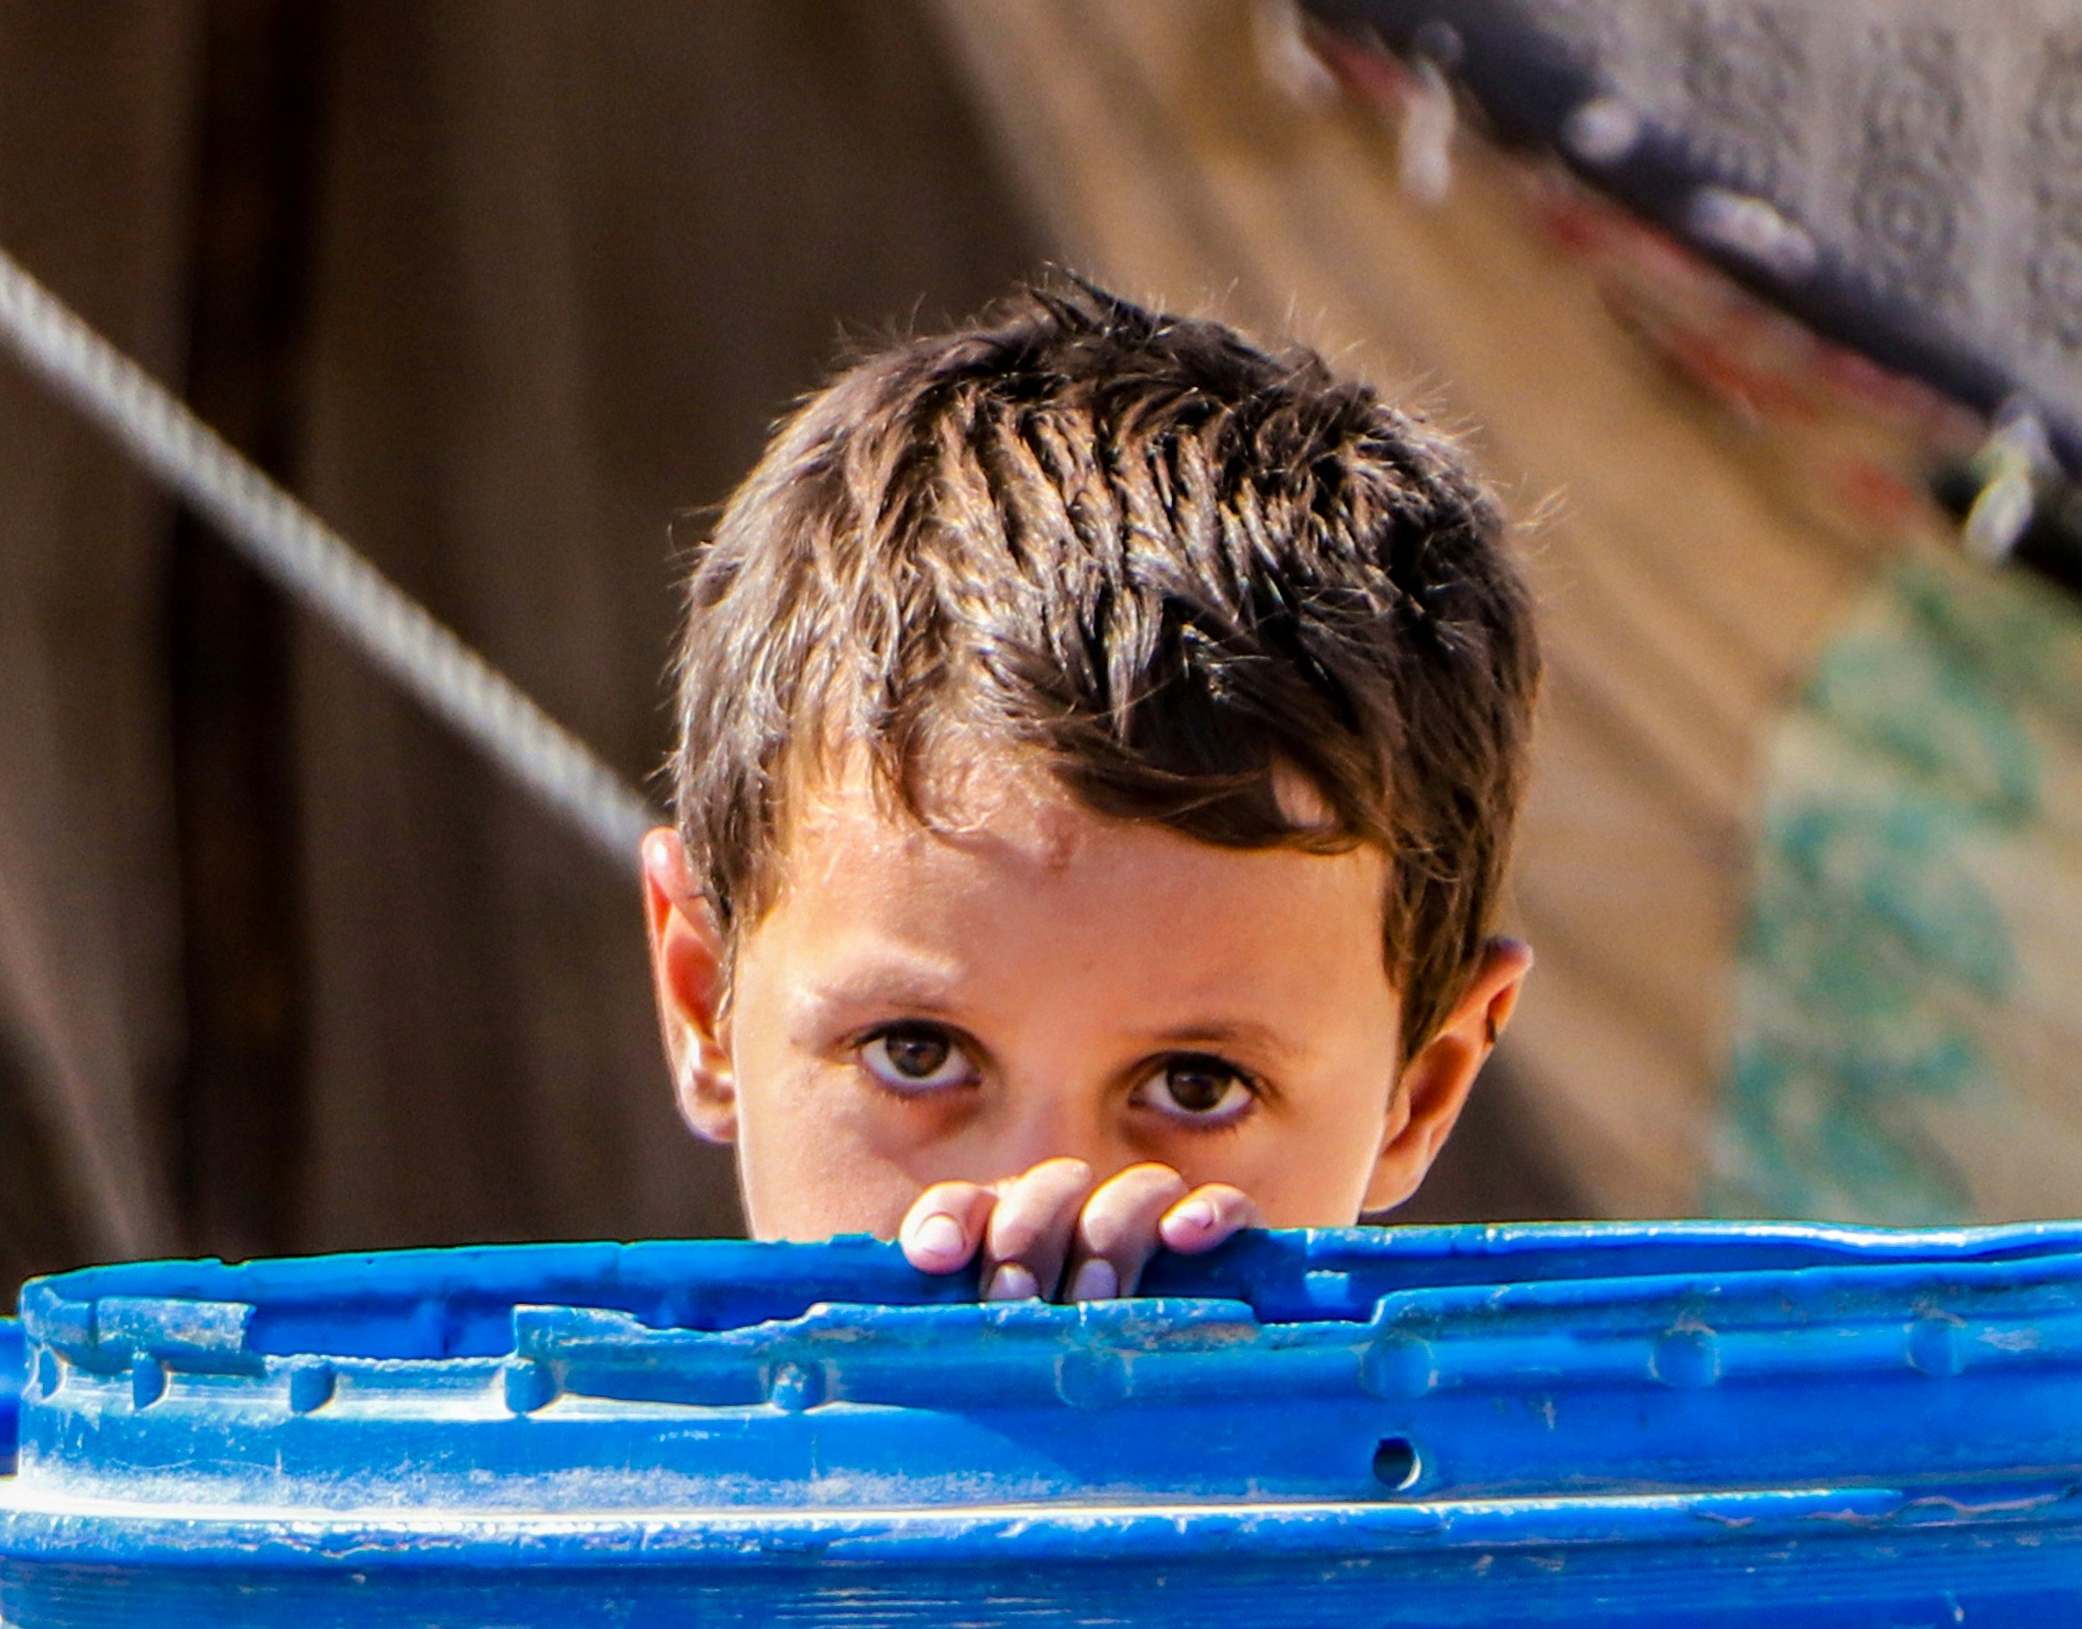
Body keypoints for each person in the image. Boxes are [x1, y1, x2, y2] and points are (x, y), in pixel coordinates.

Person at [639, 274, 1538, 1298]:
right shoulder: (531, 1441)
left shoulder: (1587, 1456)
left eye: (1197, 1085)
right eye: (916, 1052)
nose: (1042, 1210)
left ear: (1419, 1090)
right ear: (706, 999)